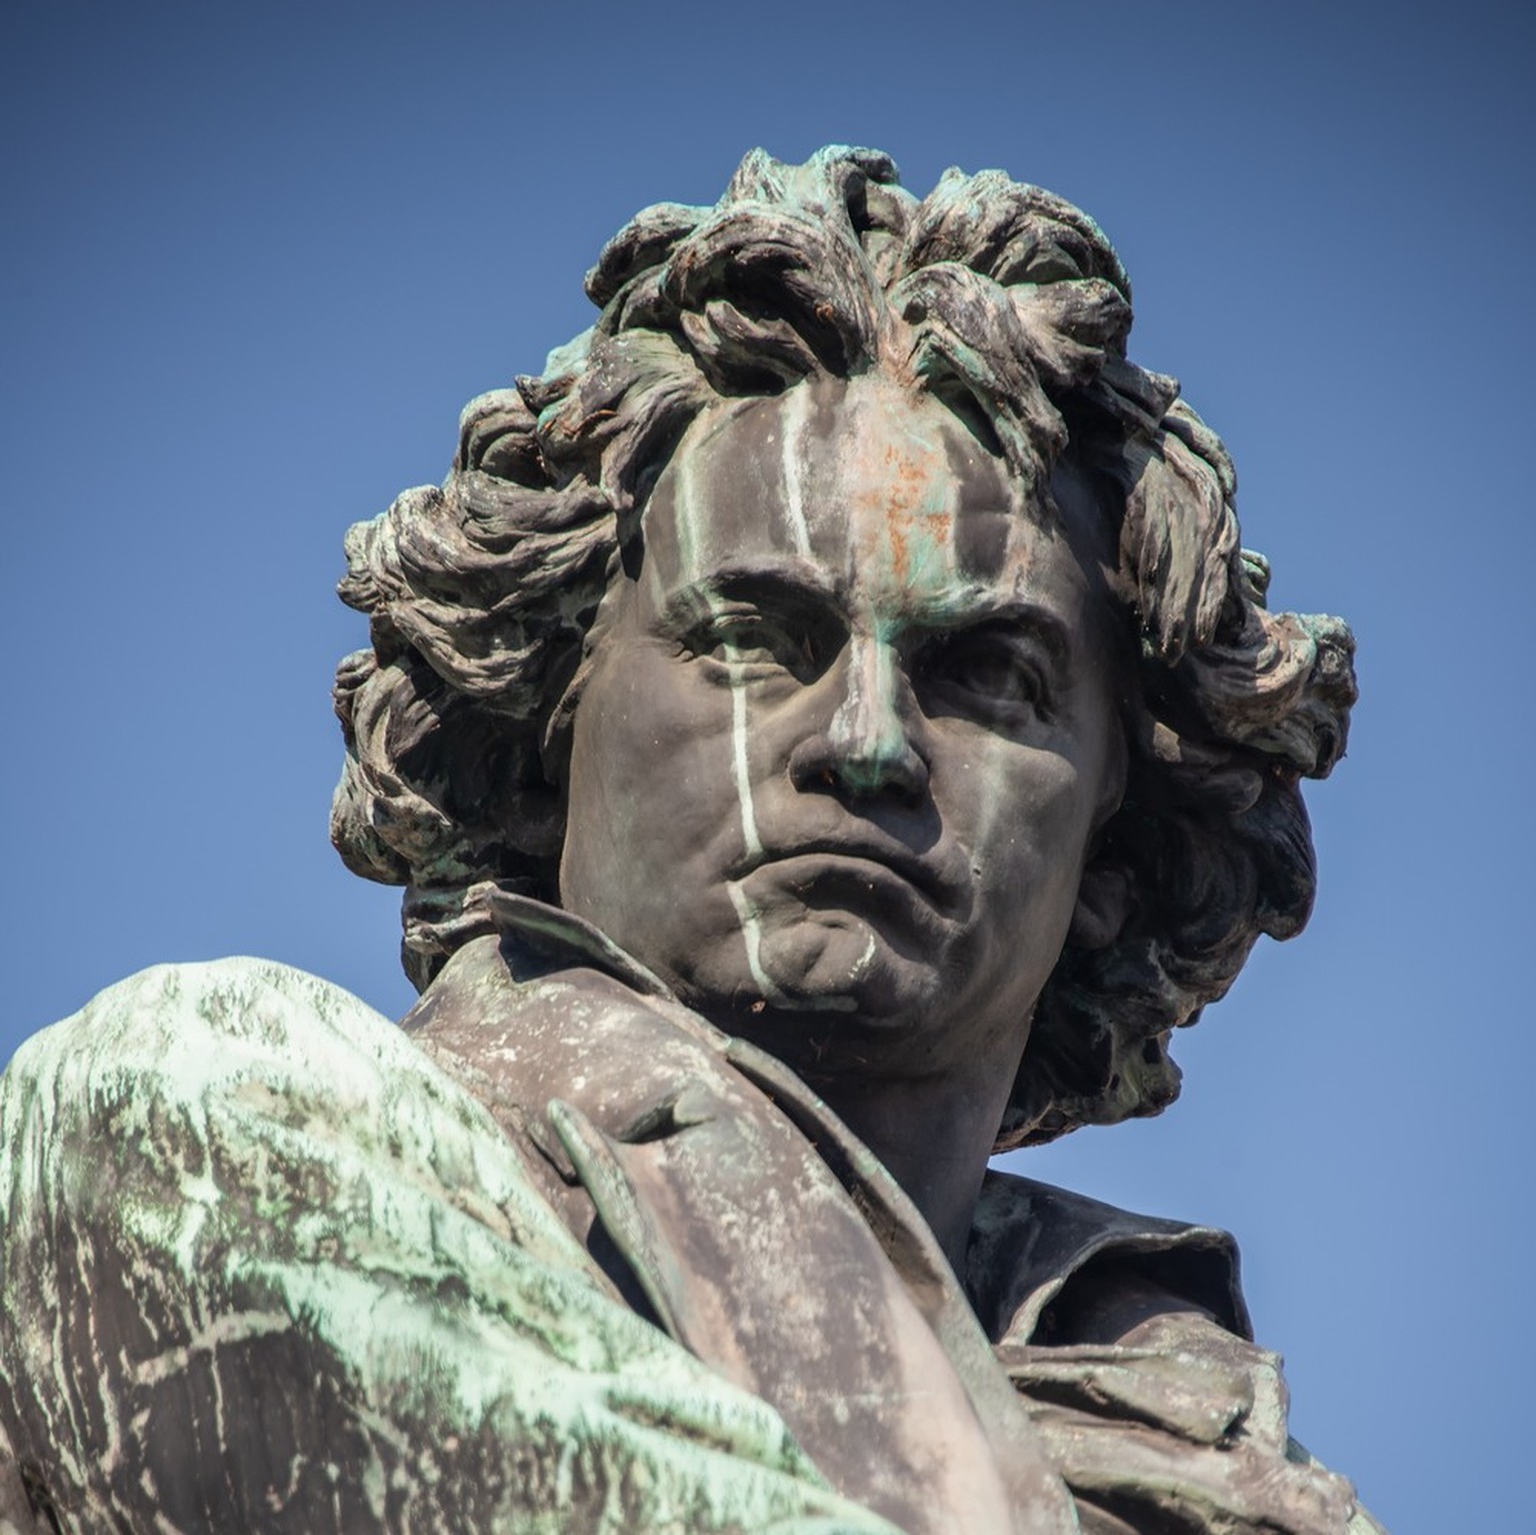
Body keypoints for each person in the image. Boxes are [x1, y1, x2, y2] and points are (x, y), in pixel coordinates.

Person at [0, 147, 1377, 1533]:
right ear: (545, 728)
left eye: (986, 679)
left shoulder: (1196, 1430)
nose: (867, 738)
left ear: (1117, 859)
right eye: (753, 640)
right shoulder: (198, 1114)